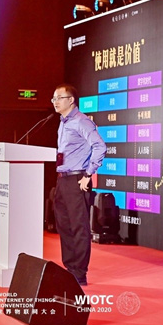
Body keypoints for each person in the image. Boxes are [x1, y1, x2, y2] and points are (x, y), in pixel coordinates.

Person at [52, 83, 106, 286]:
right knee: (64, 226)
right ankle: (70, 268)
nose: (55, 102)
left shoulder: (81, 121)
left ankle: (79, 273)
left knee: (78, 227)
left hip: (77, 180)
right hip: (63, 179)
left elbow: (99, 146)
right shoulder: (63, 122)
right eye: (53, 98)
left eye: (59, 98)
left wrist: (88, 174)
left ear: (71, 100)